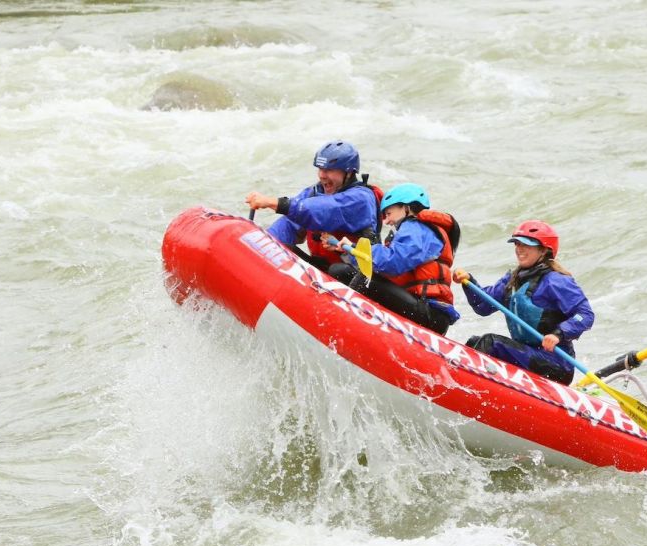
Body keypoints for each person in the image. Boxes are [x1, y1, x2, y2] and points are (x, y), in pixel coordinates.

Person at [452, 220, 594, 385]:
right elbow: (483, 306)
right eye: (517, 244)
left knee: (490, 343)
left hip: (556, 364)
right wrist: (469, 283)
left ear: (543, 250)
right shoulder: (513, 279)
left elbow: (585, 314)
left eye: (526, 245)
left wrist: (558, 334)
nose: (519, 249)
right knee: (473, 342)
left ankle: (463, 386)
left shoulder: (556, 281)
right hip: (527, 353)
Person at [325, 183, 460, 336]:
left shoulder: (418, 229)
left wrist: (357, 249)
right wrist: (350, 252)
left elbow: (393, 261)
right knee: (341, 271)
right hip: (416, 303)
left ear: (406, 208)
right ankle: (354, 320)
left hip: (431, 314)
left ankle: (340, 322)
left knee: (368, 281)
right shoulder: (414, 229)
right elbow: (382, 266)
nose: (387, 221)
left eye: (388, 213)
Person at [245, 140, 380, 272]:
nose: (322, 175)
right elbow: (289, 224)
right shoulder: (314, 193)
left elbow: (322, 210)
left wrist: (271, 202)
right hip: (322, 269)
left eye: (329, 170)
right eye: (320, 169)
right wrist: (261, 245)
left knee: (338, 270)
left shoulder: (361, 198)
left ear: (349, 173)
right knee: (282, 249)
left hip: (356, 273)